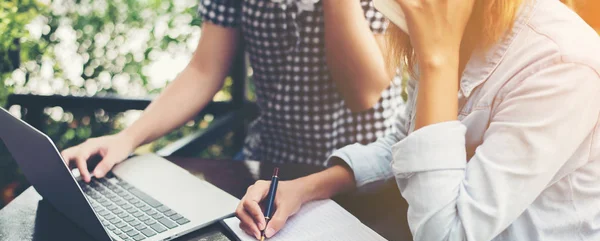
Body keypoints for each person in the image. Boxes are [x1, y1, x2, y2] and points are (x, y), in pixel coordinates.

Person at [236, 0, 600, 241]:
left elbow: (443, 238)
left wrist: (438, 58)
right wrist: (303, 188)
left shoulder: (562, 63)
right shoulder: (456, 26)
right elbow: (404, 144)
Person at [61, 0, 404, 182]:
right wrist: (126, 139)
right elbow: (203, 70)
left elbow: (363, 92)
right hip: (270, 163)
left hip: (363, 171)